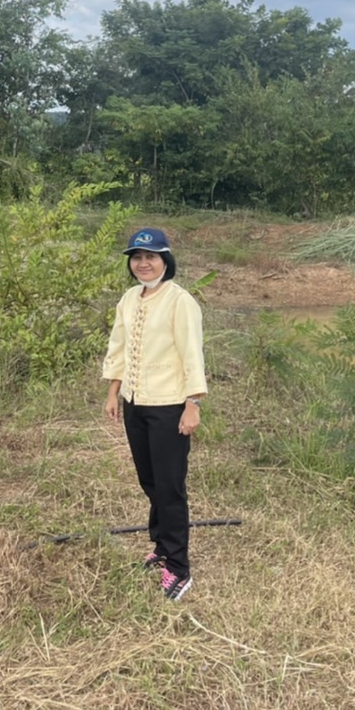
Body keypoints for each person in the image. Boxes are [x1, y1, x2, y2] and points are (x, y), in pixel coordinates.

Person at [101, 226, 207, 602]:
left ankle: (178, 567)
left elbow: (192, 353)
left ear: (166, 260)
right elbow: (119, 345)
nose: (143, 263)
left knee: (170, 486)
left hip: (169, 406)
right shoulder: (130, 299)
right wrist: (114, 391)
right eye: (137, 257)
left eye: (151, 257)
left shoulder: (180, 301)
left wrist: (192, 403)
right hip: (135, 403)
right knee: (149, 480)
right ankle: (161, 546)